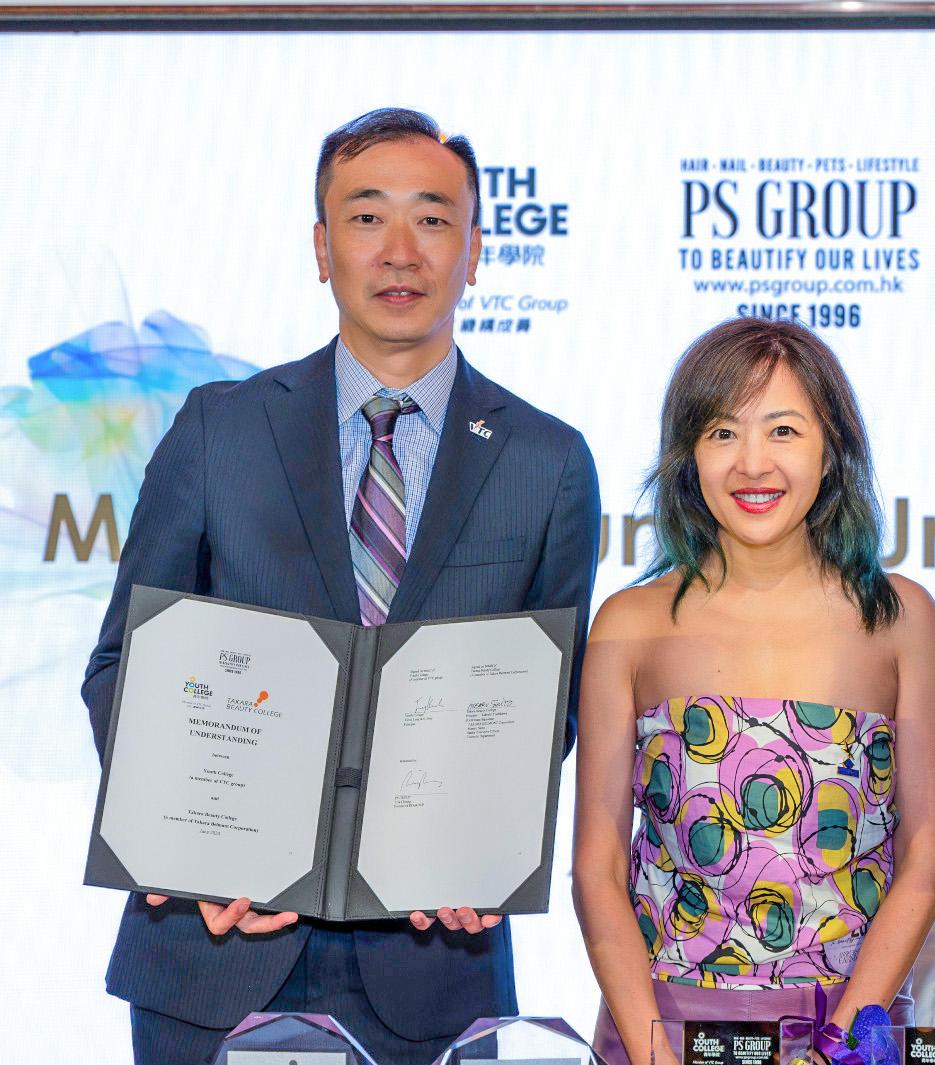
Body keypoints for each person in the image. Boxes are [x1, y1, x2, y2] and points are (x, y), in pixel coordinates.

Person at [82, 107, 601, 1065]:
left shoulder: (548, 462)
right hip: (213, 945)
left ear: (477, 251)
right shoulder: (218, 428)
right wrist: (186, 844)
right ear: (322, 248)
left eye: (433, 218)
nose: (400, 250)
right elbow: (123, 665)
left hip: (432, 962)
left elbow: (548, 708)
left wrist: (479, 840)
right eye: (367, 217)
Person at [572, 317, 935, 1065]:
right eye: (722, 433)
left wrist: (837, 1046)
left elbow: (927, 859)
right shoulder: (628, 624)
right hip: (662, 1030)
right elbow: (597, 867)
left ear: (831, 449)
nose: (752, 464)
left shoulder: (899, 617)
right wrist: (654, 1053)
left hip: (849, 1028)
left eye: (783, 430)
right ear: (688, 456)